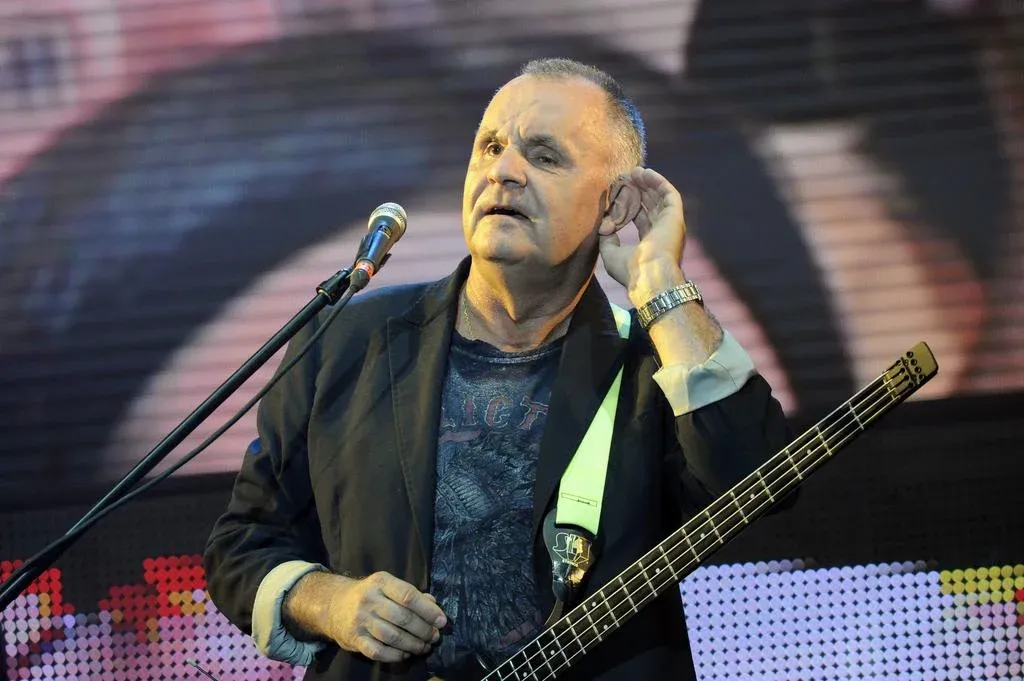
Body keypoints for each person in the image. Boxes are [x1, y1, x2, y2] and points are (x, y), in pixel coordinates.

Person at [203, 58, 792, 681]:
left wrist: (660, 284)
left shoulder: (659, 366)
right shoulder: (347, 340)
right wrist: (330, 603)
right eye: (489, 147)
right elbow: (241, 545)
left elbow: (761, 485)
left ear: (614, 203)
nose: (503, 171)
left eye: (544, 156)